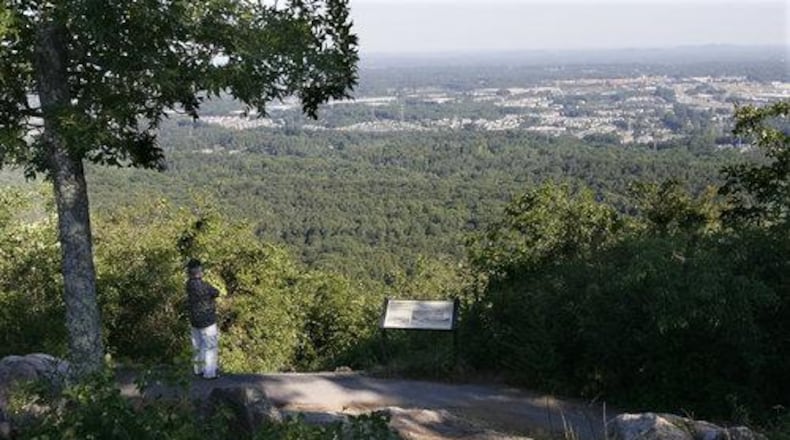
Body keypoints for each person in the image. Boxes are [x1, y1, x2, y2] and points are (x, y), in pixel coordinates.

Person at [185, 259, 220, 379]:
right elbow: (216, 292)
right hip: (207, 319)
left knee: (197, 345)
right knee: (210, 346)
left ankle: (198, 370)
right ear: (199, 271)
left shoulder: (189, 284)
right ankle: (209, 373)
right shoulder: (204, 286)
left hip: (194, 319)